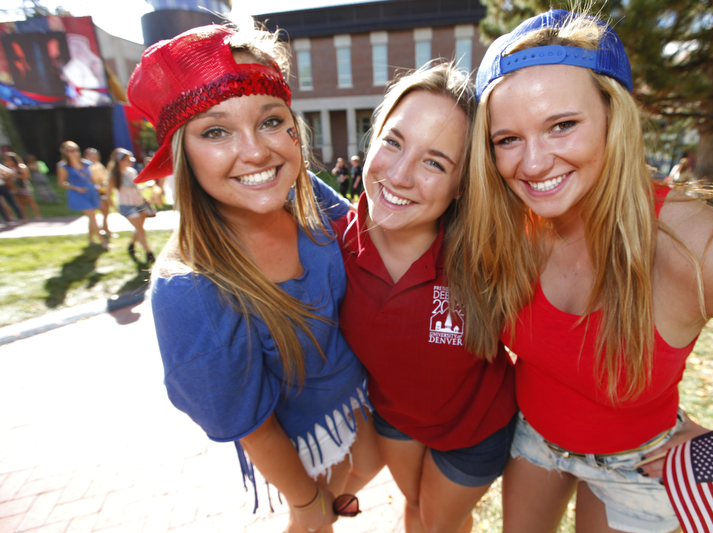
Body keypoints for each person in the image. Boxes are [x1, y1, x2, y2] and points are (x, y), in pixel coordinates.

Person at [450, 9, 713, 533]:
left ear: (616, 116)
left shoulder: (690, 244)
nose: (534, 163)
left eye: (562, 125)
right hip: (533, 439)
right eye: (508, 140)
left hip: (641, 465)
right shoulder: (513, 220)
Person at [128, 24, 382, 532]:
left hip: (365, 400)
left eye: (270, 121)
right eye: (216, 131)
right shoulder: (190, 290)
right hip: (301, 444)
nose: (257, 153)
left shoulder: (304, 190)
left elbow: (366, 235)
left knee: (368, 468)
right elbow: (254, 428)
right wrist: (309, 504)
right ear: (183, 154)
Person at [334, 63, 517, 533]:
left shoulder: (489, 255)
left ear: (462, 186)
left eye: (434, 162)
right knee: (414, 506)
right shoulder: (329, 248)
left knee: (438, 523)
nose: (398, 175)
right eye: (392, 142)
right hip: (395, 421)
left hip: (475, 431)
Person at [107, 148, 155, 264]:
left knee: (139, 228)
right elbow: (108, 194)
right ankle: (149, 253)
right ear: (120, 161)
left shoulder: (131, 172)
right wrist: (115, 208)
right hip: (126, 205)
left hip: (139, 202)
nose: (131, 161)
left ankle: (131, 245)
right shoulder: (115, 175)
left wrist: (144, 190)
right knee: (140, 229)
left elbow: (135, 187)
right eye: (128, 159)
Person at [57, 141, 109, 249]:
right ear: (65, 152)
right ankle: (103, 241)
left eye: (75, 150)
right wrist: (75, 187)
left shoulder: (87, 163)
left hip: (91, 190)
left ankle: (90, 238)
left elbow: (93, 178)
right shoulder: (63, 166)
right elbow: (61, 183)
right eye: (69, 150)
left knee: (92, 216)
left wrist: (98, 187)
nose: (73, 152)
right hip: (78, 193)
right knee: (92, 216)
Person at [84, 148, 113, 236]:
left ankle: (105, 229)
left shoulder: (99, 165)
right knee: (93, 215)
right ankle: (92, 235)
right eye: (90, 155)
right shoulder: (86, 167)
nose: (93, 157)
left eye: (95, 155)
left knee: (106, 212)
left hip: (103, 191)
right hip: (94, 192)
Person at [2, 152, 40, 220]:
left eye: (9, 159)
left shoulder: (21, 166)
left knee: (30, 202)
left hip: (24, 186)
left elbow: (26, 176)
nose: (8, 161)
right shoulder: (8, 168)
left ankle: (37, 216)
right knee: (20, 203)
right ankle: (25, 217)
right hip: (15, 187)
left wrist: (13, 174)